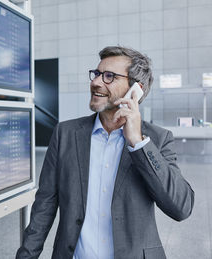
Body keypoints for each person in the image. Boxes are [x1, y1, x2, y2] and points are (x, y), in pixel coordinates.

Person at [16, 46, 194, 259]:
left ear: (135, 89)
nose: (96, 82)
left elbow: (181, 207)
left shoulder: (156, 139)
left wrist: (137, 142)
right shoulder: (66, 134)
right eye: (97, 74)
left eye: (109, 76)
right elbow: (44, 205)